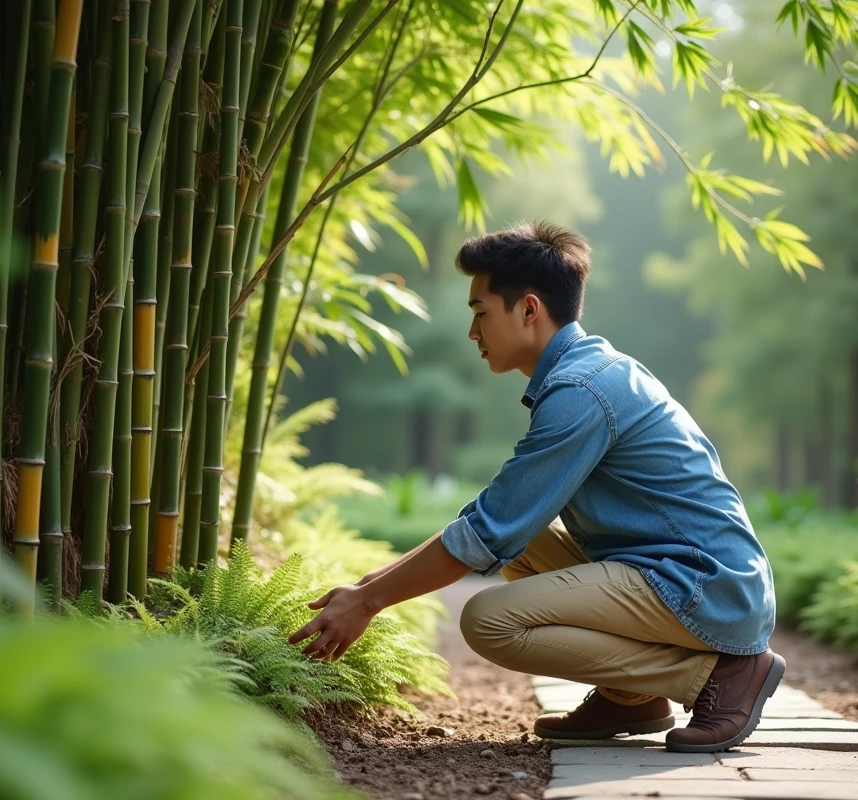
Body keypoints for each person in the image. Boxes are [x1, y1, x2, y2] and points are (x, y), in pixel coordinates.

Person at [288, 221, 782, 754]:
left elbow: (486, 533)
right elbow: (497, 519)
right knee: (527, 546)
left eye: (479, 313)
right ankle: (632, 695)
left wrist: (368, 601)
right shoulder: (588, 371)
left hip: (706, 587)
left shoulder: (580, 390)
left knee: (488, 620)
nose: (472, 333)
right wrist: (371, 586)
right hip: (690, 571)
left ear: (528, 309)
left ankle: (720, 676)